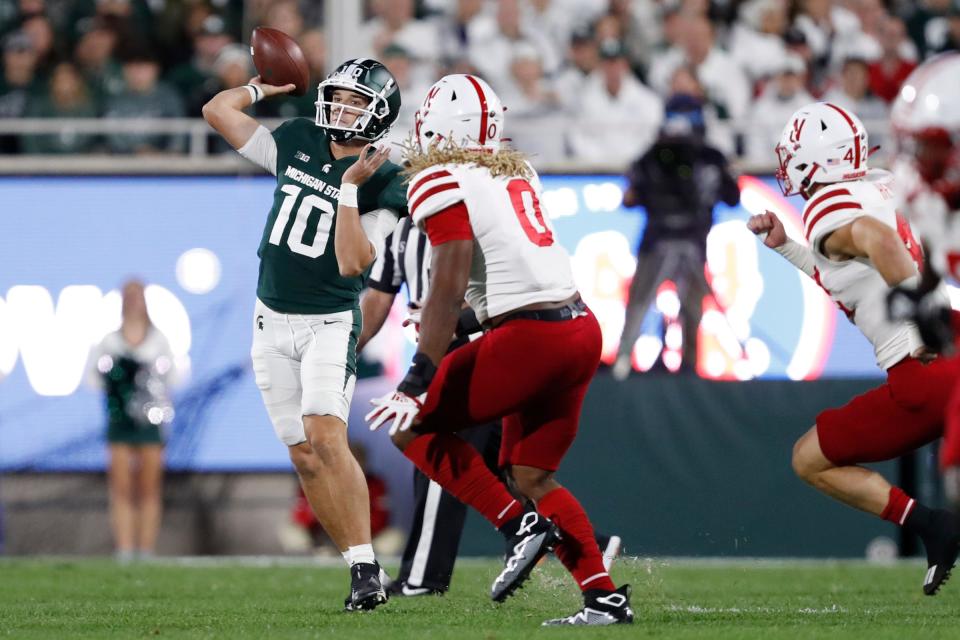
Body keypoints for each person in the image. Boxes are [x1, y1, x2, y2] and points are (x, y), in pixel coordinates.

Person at [365, 74, 633, 626]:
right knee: (530, 472)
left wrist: (418, 378)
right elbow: (511, 278)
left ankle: (519, 527)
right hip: (579, 329)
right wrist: (461, 319)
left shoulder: (439, 179)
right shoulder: (515, 170)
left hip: (529, 338)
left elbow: (447, 282)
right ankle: (602, 597)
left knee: (407, 425)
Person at [202, 57, 406, 611]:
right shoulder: (296, 138)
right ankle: (358, 565)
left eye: (356, 102)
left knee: (326, 434)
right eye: (338, 96)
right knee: (303, 455)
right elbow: (216, 110)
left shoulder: (386, 177)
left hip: (329, 321)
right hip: (269, 317)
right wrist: (256, 87)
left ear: (379, 112)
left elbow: (352, 263)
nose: (341, 108)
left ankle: (366, 569)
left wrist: (347, 190)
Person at [747, 101, 960, 596]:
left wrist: (924, 323)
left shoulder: (828, 206)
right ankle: (935, 527)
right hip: (949, 344)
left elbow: (876, 240)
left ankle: (933, 526)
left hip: (923, 369)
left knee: (809, 458)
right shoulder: (878, 185)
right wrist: (787, 248)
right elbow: (851, 273)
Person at [612, 94, 740, 380]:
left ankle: (689, 368)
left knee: (690, 307)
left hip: (689, 242)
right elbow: (631, 197)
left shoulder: (708, 157)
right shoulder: (655, 155)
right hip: (659, 240)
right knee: (640, 303)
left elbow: (732, 196)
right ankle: (626, 361)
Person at [888, 53, 960, 504]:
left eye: (935, 146)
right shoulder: (936, 205)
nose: (923, 160)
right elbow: (939, 265)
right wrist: (924, 297)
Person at [87, 280, 177, 562]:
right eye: (130, 296)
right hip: (120, 419)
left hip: (150, 422)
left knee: (149, 487)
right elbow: (93, 378)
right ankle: (125, 549)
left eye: (139, 296)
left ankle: (146, 549)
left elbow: (172, 377)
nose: (134, 301)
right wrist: (118, 384)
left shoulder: (158, 340)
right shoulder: (110, 341)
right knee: (122, 487)